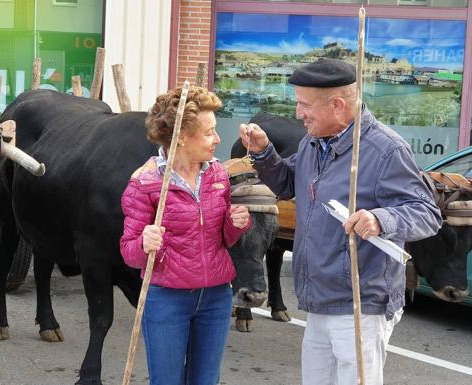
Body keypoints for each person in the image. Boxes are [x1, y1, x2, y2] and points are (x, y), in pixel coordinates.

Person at [238, 59, 442, 385]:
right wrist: (264, 154)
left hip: (361, 303)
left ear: (337, 105)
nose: (299, 113)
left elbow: (426, 213)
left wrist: (380, 218)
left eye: (305, 105)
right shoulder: (312, 142)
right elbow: (290, 184)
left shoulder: (386, 150)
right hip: (319, 297)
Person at [120, 86, 251, 385]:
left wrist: (235, 224)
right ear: (181, 136)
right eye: (209, 133)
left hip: (216, 296)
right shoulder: (146, 183)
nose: (217, 139)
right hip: (167, 298)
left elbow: (224, 240)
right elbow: (129, 252)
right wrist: (143, 242)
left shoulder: (217, 175)